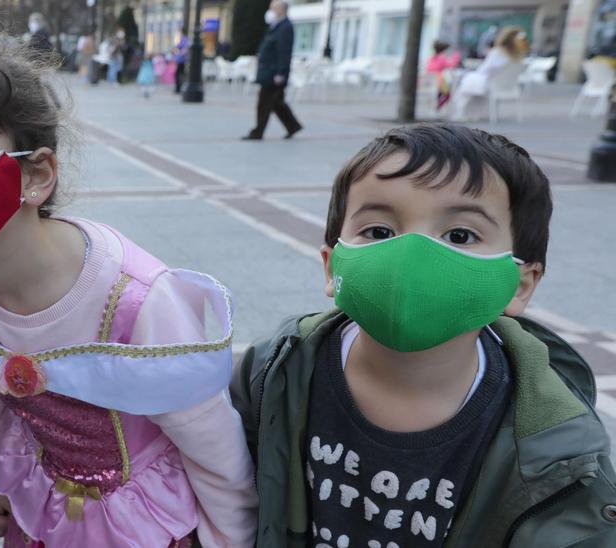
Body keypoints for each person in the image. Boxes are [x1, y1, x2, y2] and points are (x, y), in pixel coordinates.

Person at [0, 23, 258, 548]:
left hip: (145, 523)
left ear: (34, 176)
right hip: (43, 508)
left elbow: (212, 443)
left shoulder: (137, 300)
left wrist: (232, 538)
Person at [231, 124, 616, 547]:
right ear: (331, 266)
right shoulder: (274, 371)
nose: (411, 256)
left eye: (460, 236)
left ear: (520, 285)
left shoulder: (558, 445)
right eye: (379, 231)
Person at [244, 1, 302, 140]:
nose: (270, 11)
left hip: (273, 74)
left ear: (281, 10)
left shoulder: (285, 27)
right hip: (268, 72)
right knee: (276, 102)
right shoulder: (276, 26)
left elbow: (284, 52)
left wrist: (281, 73)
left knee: (264, 103)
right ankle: (293, 126)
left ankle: (258, 132)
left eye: (273, 8)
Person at [450, 26, 529, 121]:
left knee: (465, 80)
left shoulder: (497, 52)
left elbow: (484, 70)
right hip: (509, 87)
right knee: (471, 81)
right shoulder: (518, 57)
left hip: (490, 85)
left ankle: (460, 113)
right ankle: (479, 113)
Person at [425, 39, 461, 109]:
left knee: (440, 94)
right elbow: (451, 64)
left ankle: (437, 106)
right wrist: (456, 56)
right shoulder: (441, 58)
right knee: (447, 95)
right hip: (439, 80)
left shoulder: (431, 58)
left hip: (430, 80)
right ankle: (438, 107)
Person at [174, 27, 190, 93]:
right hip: (181, 59)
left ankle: (179, 88)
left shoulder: (184, 39)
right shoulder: (182, 39)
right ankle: (179, 87)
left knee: (178, 74)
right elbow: (177, 47)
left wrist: (180, 53)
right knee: (180, 73)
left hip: (182, 60)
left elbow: (185, 49)